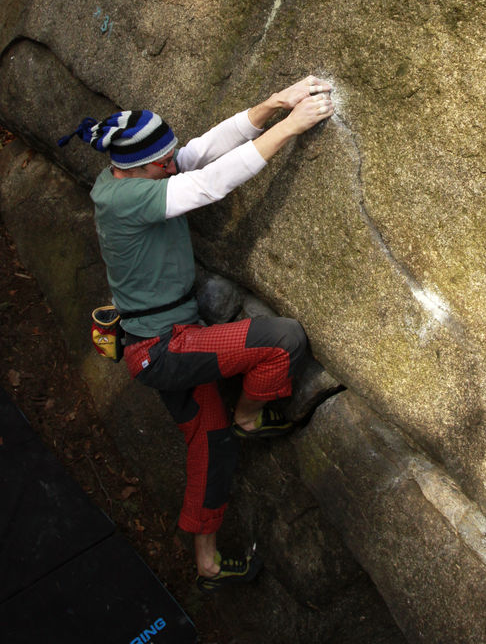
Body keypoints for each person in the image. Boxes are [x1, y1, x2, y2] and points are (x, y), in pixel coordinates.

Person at [58, 75, 334, 591]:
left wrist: (277, 102)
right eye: (164, 161)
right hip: (165, 350)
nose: (173, 162)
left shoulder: (136, 176)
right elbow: (210, 182)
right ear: (136, 168)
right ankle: (250, 417)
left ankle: (206, 563)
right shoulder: (127, 200)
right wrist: (292, 127)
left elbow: (203, 151)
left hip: (164, 344)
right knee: (283, 339)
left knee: (212, 448)